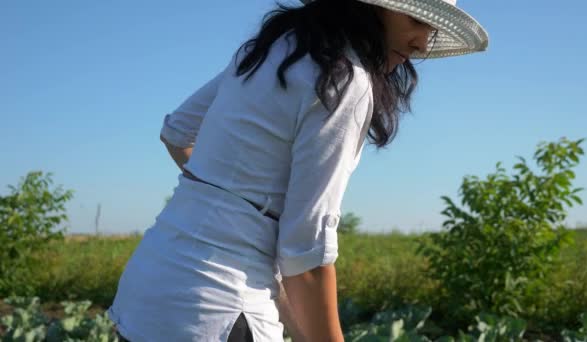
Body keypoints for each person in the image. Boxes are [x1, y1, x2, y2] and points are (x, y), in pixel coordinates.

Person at [106, 0, 488, 340]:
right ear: (372, 8)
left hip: (148, 286)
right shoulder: (345, 79)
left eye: (431, 27)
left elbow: (176, 133)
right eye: (415, 19)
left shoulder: (274, 49)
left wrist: (226, 199)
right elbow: (306, 253)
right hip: (217, 312)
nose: (423, 43)